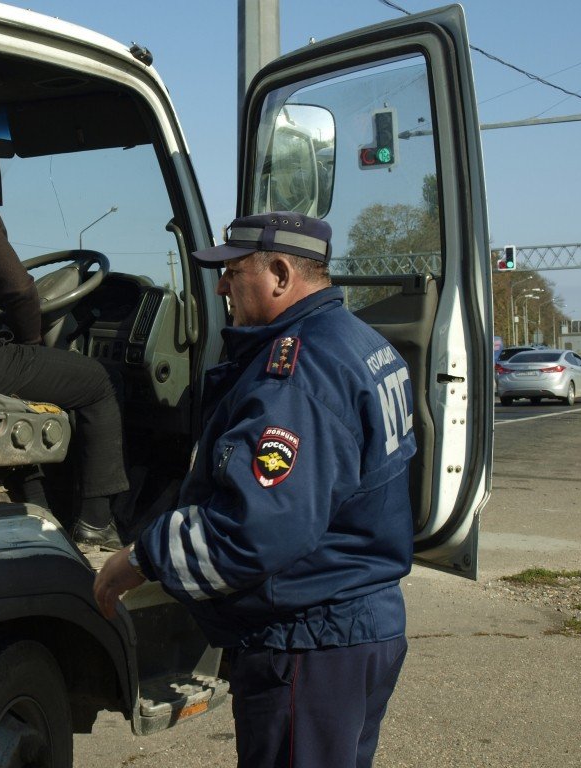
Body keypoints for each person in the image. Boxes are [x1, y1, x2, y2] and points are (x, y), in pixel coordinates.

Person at [94, 211, 416, 767]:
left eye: (232, 272)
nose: (221, 286)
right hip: (355, 626)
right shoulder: (356, 339)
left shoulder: (299, 369)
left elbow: (256, 528)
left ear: (280, 274)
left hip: (308, 641)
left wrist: (139, 558)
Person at [0, 194, 129, 549]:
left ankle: (42, 510)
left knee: (39, 387)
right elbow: (17, 289)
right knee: (100, 381)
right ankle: (96, 522)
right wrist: (30, 344)